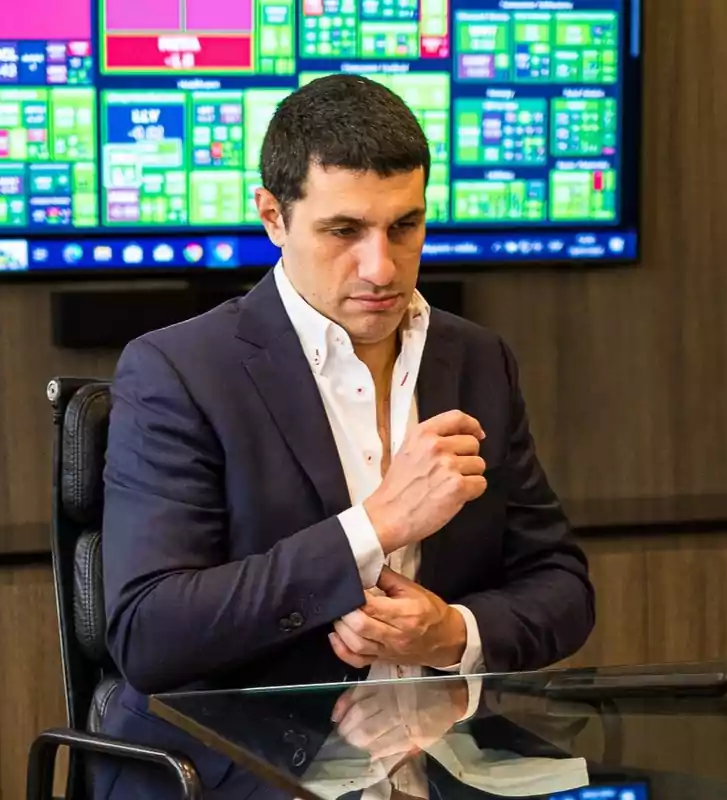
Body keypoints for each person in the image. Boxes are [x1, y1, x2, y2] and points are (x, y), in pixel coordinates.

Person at [96, 73, 595, 799]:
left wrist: (452, 632)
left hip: (447, 765)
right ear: (273, 216)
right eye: (344, 231)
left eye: (405, 226)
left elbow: (562, 588)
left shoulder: (480, 359)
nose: (381, 267)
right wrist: (376, 525)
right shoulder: (176, 370)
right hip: (244, 776)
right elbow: (151, 633)